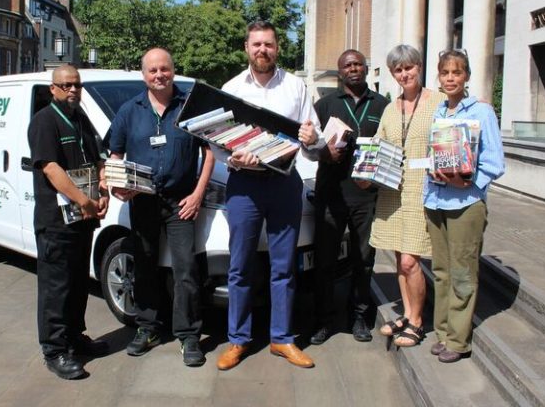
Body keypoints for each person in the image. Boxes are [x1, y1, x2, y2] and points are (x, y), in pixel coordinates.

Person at [216, 20, 324, 371]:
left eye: (269, 44)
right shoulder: (231, 89)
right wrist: (230, 156)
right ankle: (238, 340)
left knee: (284, 267)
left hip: (284, 183)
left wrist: (312, 140)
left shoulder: (296, 87)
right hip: (243, 185)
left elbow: (314, 138)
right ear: (246, 48)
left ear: (278, 48)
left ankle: (282, 338)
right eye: (256, 44)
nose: (263, 50)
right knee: (240, 266)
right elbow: (214, 144)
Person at [108, 48, 215, 367]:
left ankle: (188, 335)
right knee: (144, 266)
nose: (159, 75)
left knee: (186, 270)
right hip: (142, 200)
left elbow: (209, 153)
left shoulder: (190, 107)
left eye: (164, 69)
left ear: (173, 70)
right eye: (153, 70)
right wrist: (117, 186)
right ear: (144, 75)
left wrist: (198, 193)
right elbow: (115, 155)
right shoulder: (130, 111)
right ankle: (148, 328)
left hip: (181, 202)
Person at [27, 64, 110, 380]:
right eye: (66, 86)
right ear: (53, 89)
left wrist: (103, 191)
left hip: (82, 220)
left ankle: (75, 337)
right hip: (57, 223)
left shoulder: (82, 119)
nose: (73, 90)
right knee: (55, 288)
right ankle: (55, 351)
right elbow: (50, 169)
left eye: (77, 85)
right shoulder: (44, 123)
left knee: (77, 284)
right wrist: (83, 200)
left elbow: (98, 160)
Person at [424, 50, 504, 363]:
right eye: (445, 73)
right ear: (439, 77)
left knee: (462, 272)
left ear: (466, 76)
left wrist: (467, 181)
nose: (451, 78)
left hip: (466, 203)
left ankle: (458, 340)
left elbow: (495, 162)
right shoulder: (439, 112)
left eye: (457, 72)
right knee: (441, 272)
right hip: (436, 199)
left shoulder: (482, 112)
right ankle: (442, 332)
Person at [364, 44, 445, 348]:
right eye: (399, 69)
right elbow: (378, 145)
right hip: (392, 191)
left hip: (422, 188)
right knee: (400, 258)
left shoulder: (437, 102)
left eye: (409, 67)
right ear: (393, 74)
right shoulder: (390, 108)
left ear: (419, 67)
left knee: (411, 260)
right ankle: (408, 314)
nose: (405, 73)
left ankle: (418, 322)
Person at [310, 49, 390, 345]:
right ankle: (323, 321)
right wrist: (324, 152)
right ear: (339, 71)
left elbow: (390, 145)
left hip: (366, 196)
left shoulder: (382, 105)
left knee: (364, 260)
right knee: (325, 261)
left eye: (358, 64)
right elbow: (308, 148)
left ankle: (359, 317)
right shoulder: (325, 105)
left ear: (366, 69)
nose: (353, 69)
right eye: (348, 65)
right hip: (331, 195)